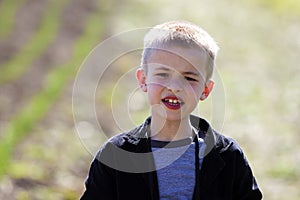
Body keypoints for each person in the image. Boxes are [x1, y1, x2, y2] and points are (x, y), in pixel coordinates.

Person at [80, 20, 263, 200]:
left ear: (205, 90)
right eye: (163, 74)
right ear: (143, 80)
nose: (174, 86)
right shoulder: (115, 155)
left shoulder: (228, 156)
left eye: (189, 78)